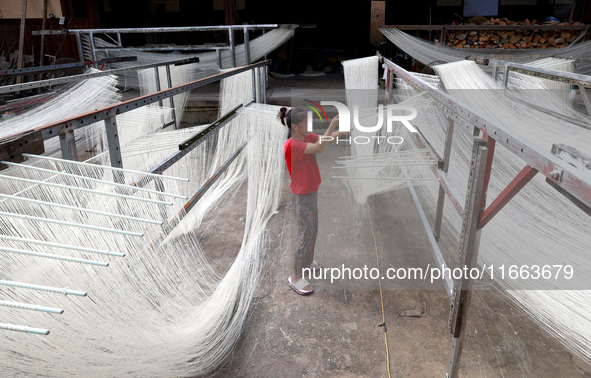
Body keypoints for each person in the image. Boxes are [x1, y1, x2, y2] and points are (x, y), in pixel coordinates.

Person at [278, 107, 345, 295]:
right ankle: (296, 276)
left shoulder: (305, 136)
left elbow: (323, 140)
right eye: (307, 123)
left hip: (311, 191)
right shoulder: (292, 144)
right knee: (304, 233)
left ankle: (307, 261)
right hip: (301, 196)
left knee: (312, 228)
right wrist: (332, 124)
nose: (310, 126)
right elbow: (320, 148)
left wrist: (340, 132)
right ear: (297, 126)